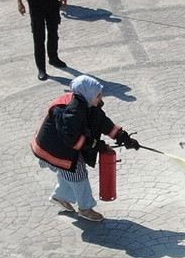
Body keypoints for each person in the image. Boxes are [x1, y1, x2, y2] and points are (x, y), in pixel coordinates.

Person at [31, 74, 141, 222]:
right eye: (98, 94)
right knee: (78, 175)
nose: (101, 97)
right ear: (88, 94)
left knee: (70, 173)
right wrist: (94, 145)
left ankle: (60, 196)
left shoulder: (86, 102)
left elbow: (102, 122)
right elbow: (71, 138)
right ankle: (85, 208)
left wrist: (124, 138)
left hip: (63, 146)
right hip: (55, 149)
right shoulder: (71, 111)